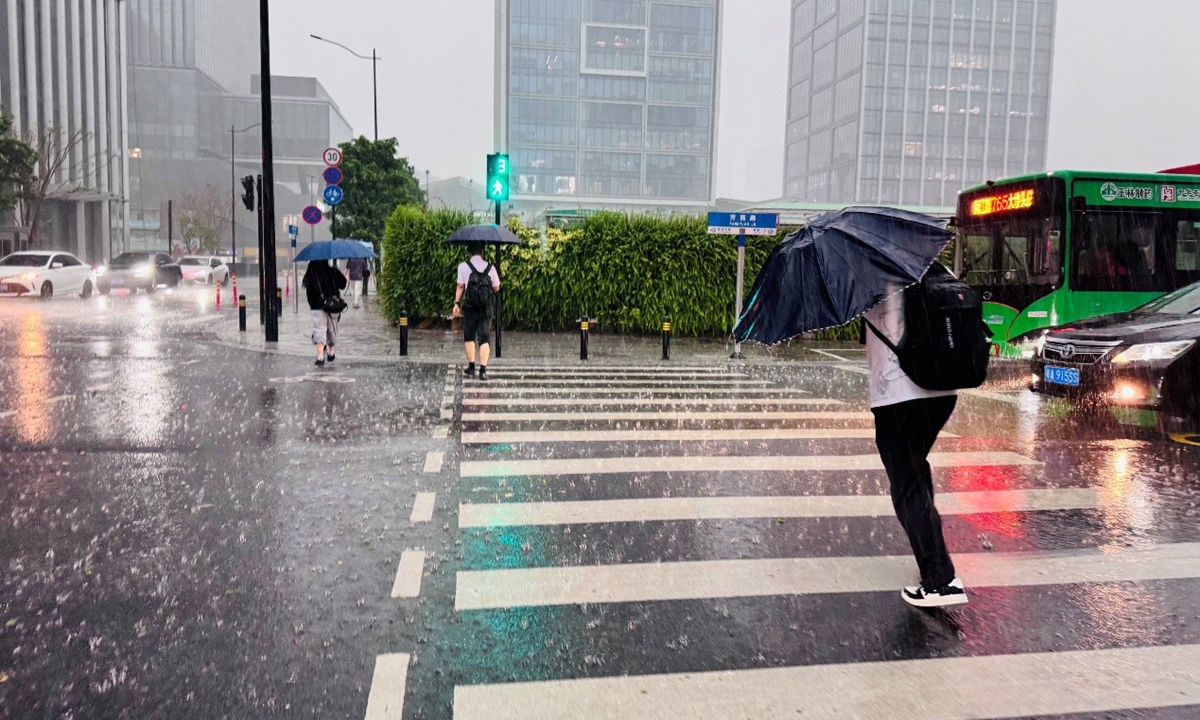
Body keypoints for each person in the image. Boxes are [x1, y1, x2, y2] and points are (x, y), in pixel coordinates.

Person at [863, 289, 967, 608]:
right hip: (941, 390)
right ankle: (933, 558)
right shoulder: (920, 266)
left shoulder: (867, 278)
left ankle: (940, 579)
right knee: (914, 472)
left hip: (898, 397)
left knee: (906, 486)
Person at [452, 242, 501, 380]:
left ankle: (471, 367)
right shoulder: (490, 268)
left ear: (469, 253)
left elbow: (460, 286)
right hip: (486, 308)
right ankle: (483, 371)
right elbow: (497, 288)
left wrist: (456, 303)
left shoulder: (463, 266)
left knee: (469, 336)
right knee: (484, 337)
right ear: (482, 252)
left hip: (470, 307)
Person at [303, 259, 347, 367]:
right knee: (332, 329)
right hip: (332, 306)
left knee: (319, 330)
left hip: (316, 307)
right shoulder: (332, 271)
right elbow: (343, 284)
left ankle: (320, 357)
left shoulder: (310, 275)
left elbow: (309, 294)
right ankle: (331, 353)